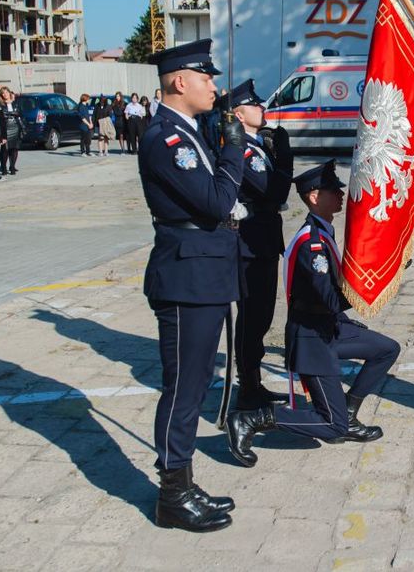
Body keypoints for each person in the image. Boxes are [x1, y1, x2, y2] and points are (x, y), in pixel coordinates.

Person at [225, 160, 402, 466]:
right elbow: (332, 299)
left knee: (387, 349)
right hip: (311, 341)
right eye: (334, 191)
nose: (342, 195)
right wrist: (375, 281)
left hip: (330, 329)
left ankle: (348, 411)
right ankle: (252, 419)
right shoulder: (312, 244)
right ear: (314, 197)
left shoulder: (324, 232)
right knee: (332, 429)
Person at [138, 38, 245, 532]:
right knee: (182, 390)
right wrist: (234, 149)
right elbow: (217, 202)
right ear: (180, 82)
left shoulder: (188, 131)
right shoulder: (167, 138)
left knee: (197, 383)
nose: (214, 86)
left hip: (202, 273)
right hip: (186, 276)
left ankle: (183, 480)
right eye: (207, 78)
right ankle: (172, 495)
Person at [228, 79, 295, 409]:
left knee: (263, 315)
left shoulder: (257, 145)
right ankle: (247, 387)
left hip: (264, 240)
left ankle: (253, 382)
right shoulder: (243, 149)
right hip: (250, 243)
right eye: (255, 105)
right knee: (252, 316)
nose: (262, 108)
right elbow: (274, 191)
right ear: (239, 114)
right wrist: (285, 159)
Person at [0, 88, 23, 175]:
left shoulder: (15, 103)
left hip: (15, 127)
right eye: (3, 93)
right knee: (5, 149)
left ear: (9, 93)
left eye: (6, 92)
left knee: (14, 148)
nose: (5, 94)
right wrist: (12, 113)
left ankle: (12, 166)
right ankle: (4, 168)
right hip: (5, 127)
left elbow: (20, 113)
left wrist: (12, 113)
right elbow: (1, 115)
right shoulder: (0, 104)